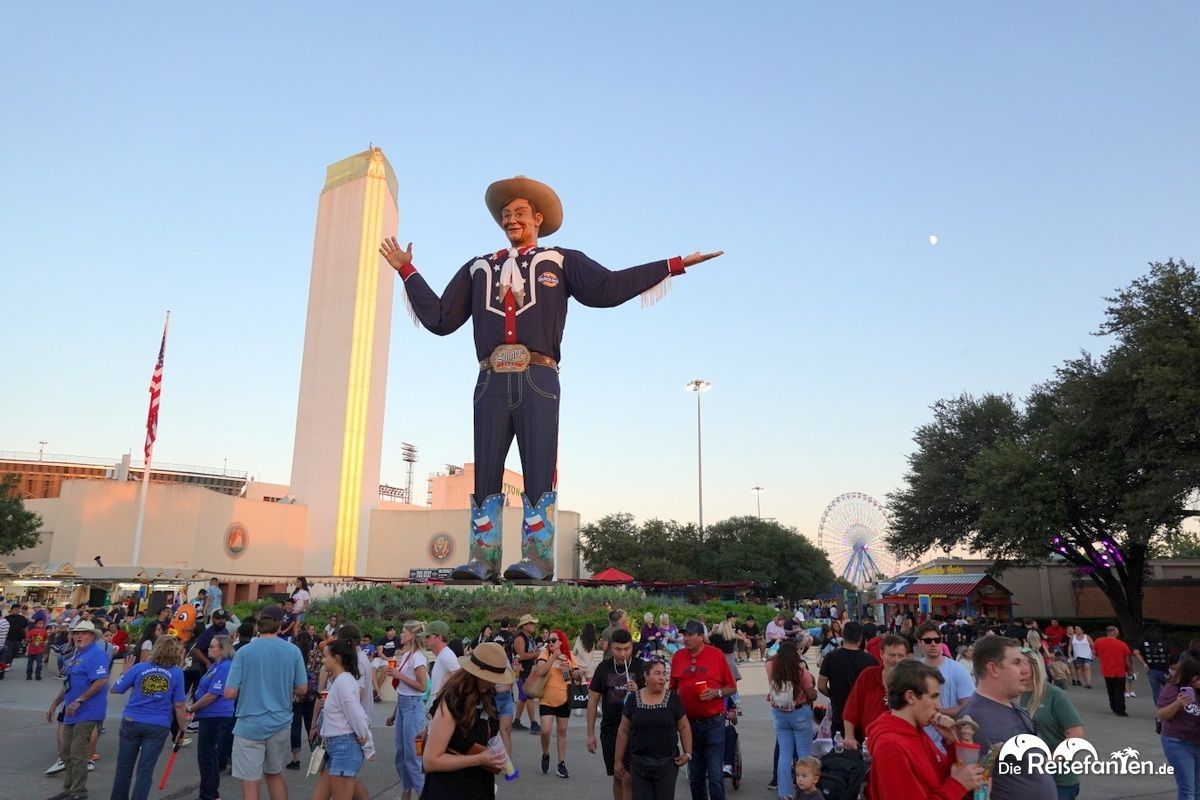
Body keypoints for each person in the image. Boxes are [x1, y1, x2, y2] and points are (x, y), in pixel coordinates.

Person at [381, 176, 722, 582]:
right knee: (486, 469)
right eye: (506, 214)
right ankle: (482, 558)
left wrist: (673, 264)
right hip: (490, 378)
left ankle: (538, 559)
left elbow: (608, 287)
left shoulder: (560, 260)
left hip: (538, 375)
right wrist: (406, 269)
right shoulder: (478, 267)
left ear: (538, 219)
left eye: (520, 213)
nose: (512, 219)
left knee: (538, 465)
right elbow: (441, 318)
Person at [223, 604, 308, 800]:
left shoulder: (244, 652)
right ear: (280, 625)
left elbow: (229, 693)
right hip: (280, 721)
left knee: (250, 781)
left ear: (258, 625)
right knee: (274, 774)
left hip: (249, 723)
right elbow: (302, 688)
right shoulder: (293, 651)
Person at [865, 660, 983, 800]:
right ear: (910, 697)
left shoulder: (915, 731)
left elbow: (940, 779)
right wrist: (958, 785)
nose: (938, 705)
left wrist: (951, 741)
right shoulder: (892, 746)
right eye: (933, 697)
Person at [959, 635, 1057, 800]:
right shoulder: (975, 720)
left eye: (1024, 663)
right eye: (1016, 663)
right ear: (993, 669)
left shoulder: (1013, 706)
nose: (1025, 670)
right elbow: (976, 787)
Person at [420, 641, 511, 800]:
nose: (493, 682)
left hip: (479, 786)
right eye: (489, 678)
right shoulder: (453, 699)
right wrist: (479, 759)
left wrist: (495, 754)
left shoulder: (487, 695)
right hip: (449, 789)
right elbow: (431, 761)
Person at [109, 635, 188, 800]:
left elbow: (116, 689)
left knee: (124, 767)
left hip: (132, 719)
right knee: (145, 770)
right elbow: (179, 705)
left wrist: (124, 673)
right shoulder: (177, 673)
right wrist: (182, 727)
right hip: (158, 723)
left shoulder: (139, 667)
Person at [670, 619, 736, 800]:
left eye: (690, 635)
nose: (685, 638)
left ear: (701, 637)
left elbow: (731, 687)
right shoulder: (678, 657)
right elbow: (673, 689)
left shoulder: (716, 654)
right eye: (684, 635)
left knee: (715, 776)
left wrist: (717, 692)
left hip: (713, 722)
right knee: (695, 777)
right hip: (688, 724)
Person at [46, 619, 109, 800]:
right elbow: (69, 683)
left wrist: (80, 700)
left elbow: (100, 681)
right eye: (76, 633)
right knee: (66, 752)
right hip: (71, 710)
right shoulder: (77, 654)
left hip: (88, 712)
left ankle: (78, 792)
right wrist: (55, 703)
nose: (78, 636)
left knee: (77, 753)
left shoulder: (96, 654)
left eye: (83, 633)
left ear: (92, 636)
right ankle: (69, 789)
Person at [614, 658, 692, 800]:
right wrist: (618, 760)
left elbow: (684, 726)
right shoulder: (633, 699)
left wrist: (687, 753)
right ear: (646, 675)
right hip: (639, 764)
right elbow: (623, 730)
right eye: (657, 673)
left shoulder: (673, 699)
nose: (662, 678)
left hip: (667, 764)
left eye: (664, 673)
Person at [309, 638, 373, 800]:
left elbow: (357, 716)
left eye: (326, 656)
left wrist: (368, 745)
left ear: (336, 659)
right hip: (337, 745)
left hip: (343, 746)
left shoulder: (344, 682)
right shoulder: (342, 681)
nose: (323, 660)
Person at [1019, 647, 1084, 800]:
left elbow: (1076, 735)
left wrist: (1047, 763)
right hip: (1023, 779)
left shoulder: (1054, 695)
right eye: (1016, 663)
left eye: (1025, 663)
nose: (1020, 668)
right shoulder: (1012, 695)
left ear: (1036, 665)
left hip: (1058, 780)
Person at [587, 628, 645, 800]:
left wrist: (639, 690)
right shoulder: (603, 668)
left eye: (627, 649)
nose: (623, 654)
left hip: (636, 730)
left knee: (629, 777)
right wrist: (590, 734)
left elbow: (656, 694)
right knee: (618, 775)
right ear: (611, 648)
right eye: (618, 649)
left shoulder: (641, 666)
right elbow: (592, 701)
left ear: (632, 647)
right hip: (610, 730)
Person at [767, 640, 817, 799]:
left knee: (784, 754)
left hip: (779, 714)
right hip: (800, 714)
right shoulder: (801, 672)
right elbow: (812, 695)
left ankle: (785, 793)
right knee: (804, 755)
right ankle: (805, 792)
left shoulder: (771, 668)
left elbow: (769, 659)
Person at [842, 634, 911, 751]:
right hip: (868, 744)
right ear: (881, 654)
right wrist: (849, 736)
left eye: (900, 656)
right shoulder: (868, 675)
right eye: (892, 655)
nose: (896, 660)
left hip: (901, 744)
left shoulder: (912, 681)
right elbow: (851, 708)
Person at [187, 635, 236, 800]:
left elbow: (212, 695)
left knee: (207, 756)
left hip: (215, 715)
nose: (208, 649)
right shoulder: (216, 665)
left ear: (223, 650)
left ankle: (209, 794)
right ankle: (209, 793)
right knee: (207, 755)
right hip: (209, 715)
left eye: (213, 646)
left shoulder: (225, 667)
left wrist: (192, 708)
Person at [915, 621, 975, 750]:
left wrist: (940, 713)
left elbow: (970, 706)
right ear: (919, 643)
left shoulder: (957, 669)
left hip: (948, 741)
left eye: (937, 640)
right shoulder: (913, 670)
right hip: (921, 742)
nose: (933, 644)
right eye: (928, 641)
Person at [386, 619, 429, 800]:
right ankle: (406, 791)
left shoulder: (417, 657)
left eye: (404, 632)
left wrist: (400, 675)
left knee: (412, 757)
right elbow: (404, 689)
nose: (401, 635)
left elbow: (422, 686)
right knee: (401, 754)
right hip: (404, 705)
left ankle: (424, 794)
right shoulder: (407, 655)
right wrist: (395, 713)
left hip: (413, 706)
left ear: (411, 635)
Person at [531, 627, 582, 777]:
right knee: (545, 731)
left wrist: (571, 669)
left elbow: (577, 676)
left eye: (553, 640)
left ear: (561, 642)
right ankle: (545, 753)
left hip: (564, 698)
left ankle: (561, 764)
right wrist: (554, 656)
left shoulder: (569, 655)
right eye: (549, 640)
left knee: (562, 731)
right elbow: (541, 671)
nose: (550, 642)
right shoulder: (545, 653)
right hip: (546, 699)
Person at [817, 620, 878, 738]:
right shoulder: (870, 660)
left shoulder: (831, 657)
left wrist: (833, 695)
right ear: (860, 638)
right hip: (863, 713)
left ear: (843, 636)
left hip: (839, 710)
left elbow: (821, 685)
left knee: (840, 745)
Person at [1155, 655, 1200, 800]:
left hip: (1196, 742)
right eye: (1196, 679)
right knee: (1187, 789)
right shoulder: (1172, 689)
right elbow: (1161, 715)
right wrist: (1178, 703)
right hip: (1177, 742)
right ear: (1188, 678)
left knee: (1197, 789)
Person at [1093, 625, 1133, 716]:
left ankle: (1114, 706)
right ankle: (1120, 709)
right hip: (1119, 670)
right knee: (1119, 691)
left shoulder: (1098, 641)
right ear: (1114, 632)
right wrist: (1130, 670)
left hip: (1106, 669)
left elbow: (1095, 653)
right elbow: (1127, 658)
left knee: (1110, 689)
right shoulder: (1122, 644)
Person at [512, 614, 541, 730]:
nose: (534, 625)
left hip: (528, 671)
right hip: (523, 672)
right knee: (529, 697)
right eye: (531, 623)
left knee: (523, 697)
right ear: (524, 626)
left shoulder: (529, 637)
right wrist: (538, 654)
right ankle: (533, 723)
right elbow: (522, 655)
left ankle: (516, 721)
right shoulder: (520, 638)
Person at [1137, 624, 1172, 711]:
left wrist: (1144, 663)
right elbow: (1170, 654)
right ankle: (1169, 708)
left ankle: (1160, 709)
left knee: (1156, 692)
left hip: (1151, 669)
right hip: (1165, 669)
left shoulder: (1143, 642)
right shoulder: (1164, 642)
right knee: (1169, 690)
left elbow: (1136, 652)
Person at [426, 620, 461, 700]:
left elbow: (461, 680)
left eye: (428, 636)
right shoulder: (442, 655)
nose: (425, 640)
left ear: (439, 638)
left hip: (441, 705)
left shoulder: (446, 656)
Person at [375, 625, 400, 700]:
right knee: (379, 669)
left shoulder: (397, 639)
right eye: (391, 630)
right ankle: (377, 691)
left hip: (390, 659)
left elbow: (405, 646)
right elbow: (380, 653)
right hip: (381, 658)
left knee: (387, 669)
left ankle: (376, 690)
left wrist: (401, 651)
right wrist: (388, 659)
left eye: (394, 630)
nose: (393, 632)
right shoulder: (382, 640)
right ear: (386, 632)